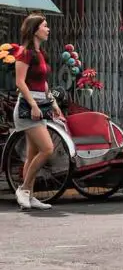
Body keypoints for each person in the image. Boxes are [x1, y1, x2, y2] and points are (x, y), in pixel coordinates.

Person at [13, 13, 64, 210]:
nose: (48, 29)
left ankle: (30, 195)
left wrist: (53, 103)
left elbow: (43, 83)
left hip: (41, 107)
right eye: (45, 26)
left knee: (32, 154)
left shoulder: (40, 53)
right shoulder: (24, 53)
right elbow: (19, 82)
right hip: (28, 109)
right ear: (35, 30)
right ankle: (24, 189)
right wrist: (33, 104)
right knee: (47, 149)